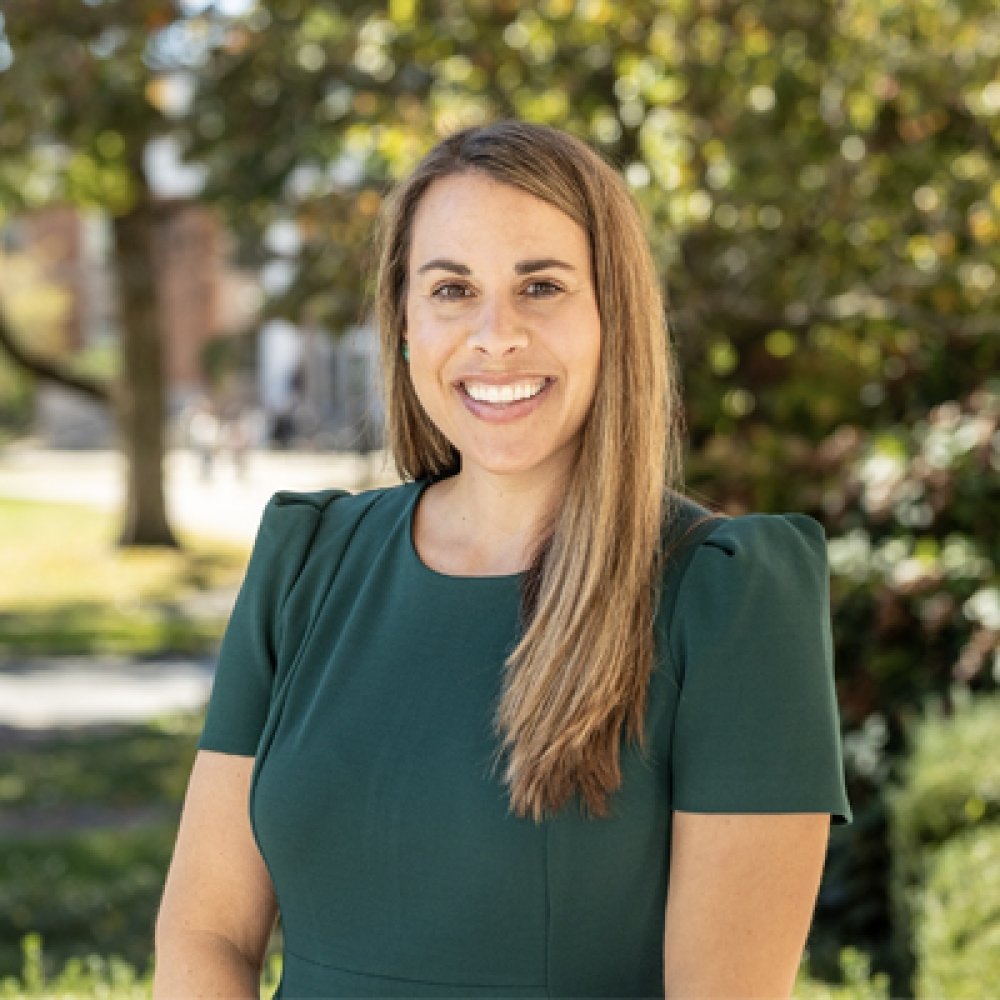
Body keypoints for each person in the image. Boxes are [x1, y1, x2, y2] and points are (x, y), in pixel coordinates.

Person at [153, 120, 851, 999]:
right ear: (404, 324)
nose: (495, 334)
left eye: (542, 287)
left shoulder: (726, 597)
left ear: (614, 320)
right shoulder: (306, 562)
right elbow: (206, 931)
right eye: (450, 289)